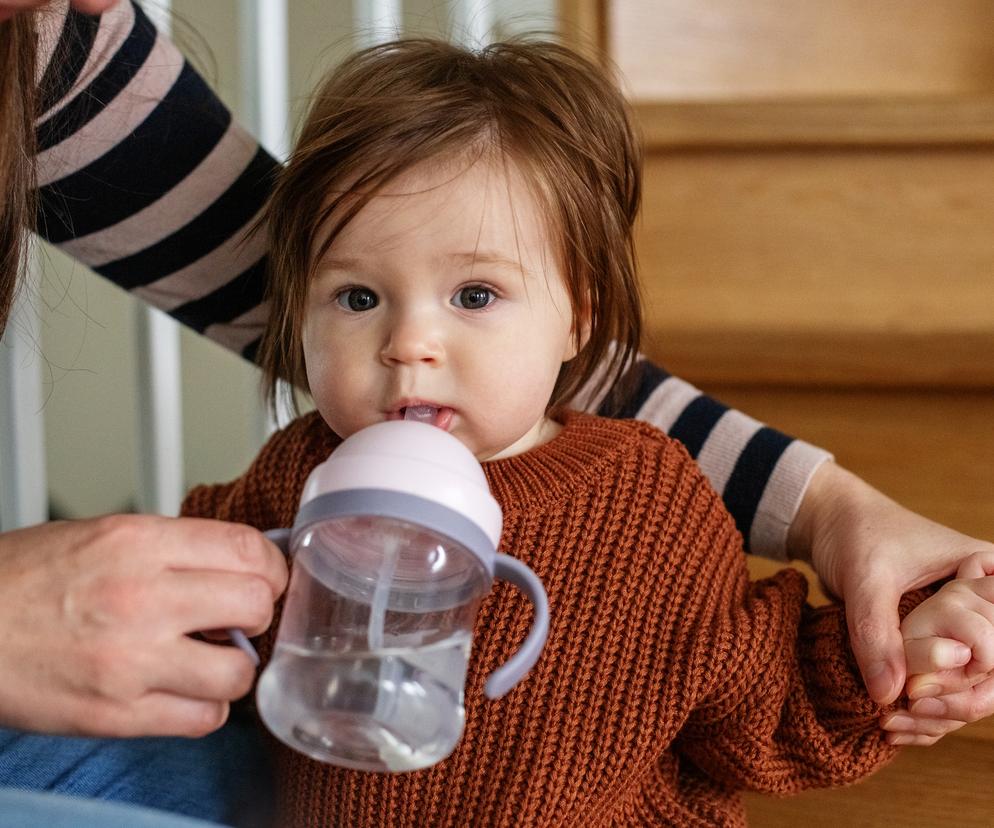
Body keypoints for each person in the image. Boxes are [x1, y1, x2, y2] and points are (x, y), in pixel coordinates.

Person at [1, 0, 992, 821]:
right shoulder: (290, 475)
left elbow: (756, 695)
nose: (409, 343)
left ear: (579, 324)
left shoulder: (648, 501)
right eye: (356, 298)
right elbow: (184, 620)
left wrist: (898, 657)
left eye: (474, 296)